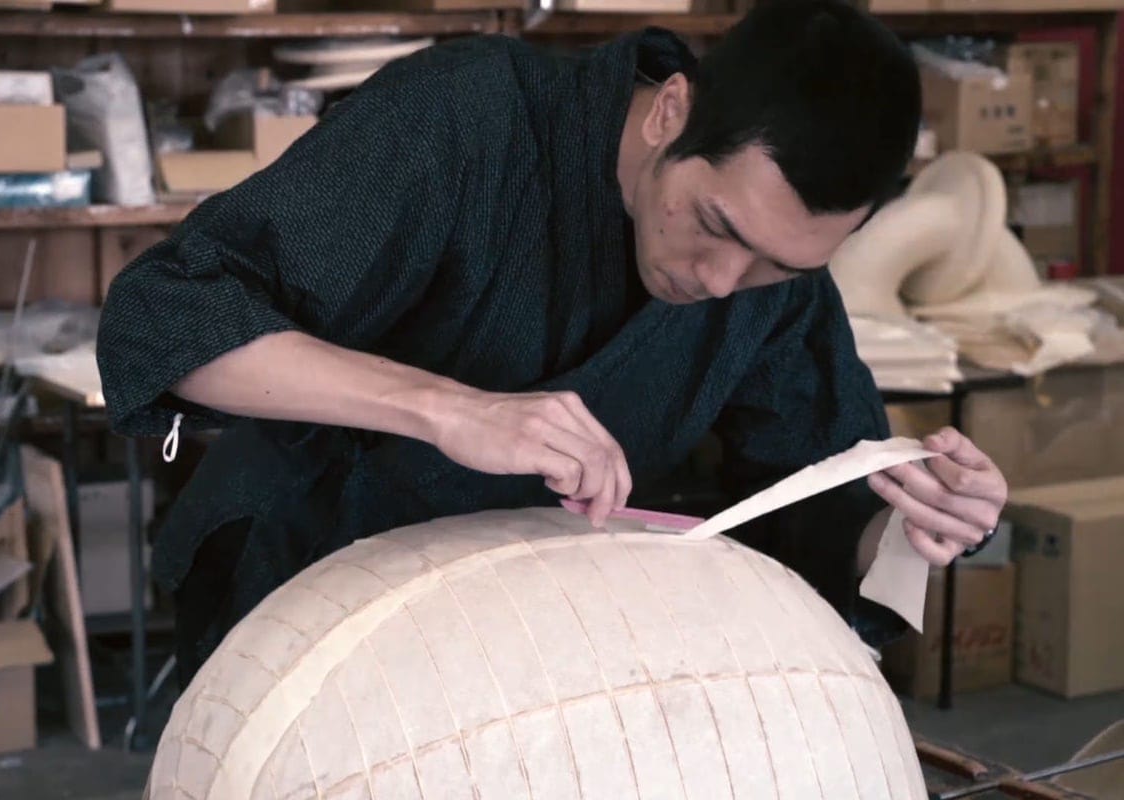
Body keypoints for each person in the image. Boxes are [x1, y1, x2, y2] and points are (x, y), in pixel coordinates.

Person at [97, 0, 1009, 688]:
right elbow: (167, 314)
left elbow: (813, 503)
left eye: (778, 264)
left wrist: (908, 530)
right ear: (670, 112)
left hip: (540, 639)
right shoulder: (467, 118)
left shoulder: (773, 281)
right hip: (307, 587)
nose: (723, 280)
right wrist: (448, 409)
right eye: (714, 225)